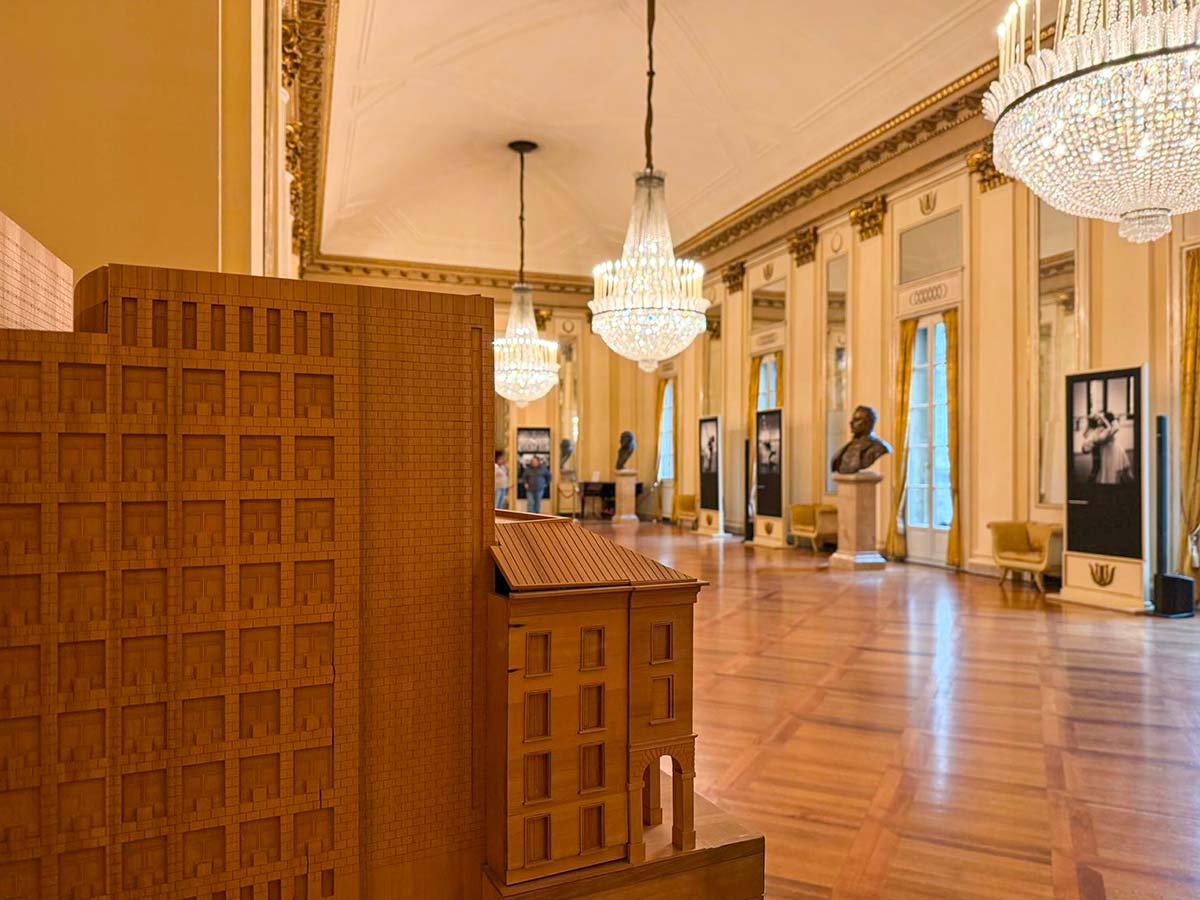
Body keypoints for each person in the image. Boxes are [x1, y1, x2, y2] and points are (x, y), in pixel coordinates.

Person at [1082, 411, 1132, 485]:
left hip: (1112, 450)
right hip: (1105, 451)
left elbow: (1114, 429)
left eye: (1100, 419)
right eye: (1098, 419)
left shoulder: (1108, 429)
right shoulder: (1098, 430)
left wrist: (1103, 418)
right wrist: (1089, 422)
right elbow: (1086, 435)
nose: (1099, 420)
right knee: (1107, 470)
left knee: (1118, 469)